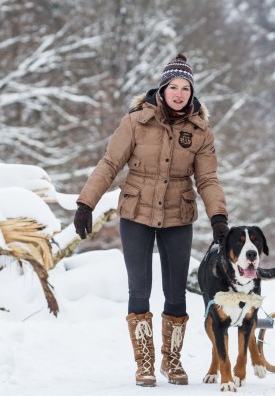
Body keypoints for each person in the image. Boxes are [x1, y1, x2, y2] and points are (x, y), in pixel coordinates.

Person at [73, 54, 229, 387]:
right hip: (136, 213)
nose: (179, 93)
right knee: (139, 289)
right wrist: (86, 203)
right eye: (173, 86)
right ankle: (144, 364)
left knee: (175, 294)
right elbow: (109, 164)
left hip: (178, 215)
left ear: (191, 92)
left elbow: (208, 179)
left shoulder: (200, 131)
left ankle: (171, 362)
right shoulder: (135, 122)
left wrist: (219, 216)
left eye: (185, 88)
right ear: (162, 88)